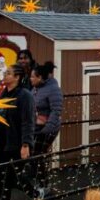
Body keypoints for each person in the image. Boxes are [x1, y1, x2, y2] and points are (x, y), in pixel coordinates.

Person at [0, 63, 36, 200]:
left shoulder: (24, 96)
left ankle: (32, 196)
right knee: (3, 175)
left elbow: (28, 121)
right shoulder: (3, 94)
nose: (5, 75)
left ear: (17, 77)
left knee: (13, 176)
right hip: (1, 142)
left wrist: (25, 144)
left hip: (16, 142)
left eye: (8, 73)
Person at [30, 61, 63, 192]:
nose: (31, 79)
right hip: (37, 126)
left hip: (48, 127)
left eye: (33, 77)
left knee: (37, 154)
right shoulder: (36, 88)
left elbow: (56, 110)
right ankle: (41, 182)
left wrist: (48, 128)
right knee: (37, 155)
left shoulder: (53, 89)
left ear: (40, 77)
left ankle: (44, 184)